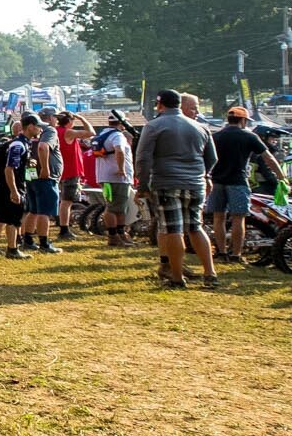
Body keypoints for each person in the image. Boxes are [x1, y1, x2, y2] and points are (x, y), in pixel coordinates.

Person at [138, 89, 218, 287]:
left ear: (160, 105)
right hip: (195, 183)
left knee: (172, 229)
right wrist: (204, 175)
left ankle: (176, 277)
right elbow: (212, 158)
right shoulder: (200, 127)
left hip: (166, 182)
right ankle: (210, 273)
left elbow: (143, 158)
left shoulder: (154, 126)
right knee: (196, 227)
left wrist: (142, 183)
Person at [206, 106, 285, 261]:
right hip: (238, 181)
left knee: (218, 217)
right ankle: (236, 254)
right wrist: (281, 176)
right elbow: (268, 158)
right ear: (242, 120)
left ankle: (221, 253)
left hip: (217, 181)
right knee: (238, 218)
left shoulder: (216, 136)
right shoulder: (249, 136)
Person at [0, 122, 31, 259]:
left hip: (4, 184)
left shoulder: (8, 144)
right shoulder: (18, 145)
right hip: (13, 184)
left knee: (4, 215)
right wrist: (14, 191)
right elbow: (9, 169)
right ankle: (12, 249)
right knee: (13, 218)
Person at [93, 112, 136, 246]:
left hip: (104, 176)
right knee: (115, 208)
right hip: (117, 178)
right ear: (121, 123)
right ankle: (116, 235)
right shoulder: (117, 136)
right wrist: (121, 169)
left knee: (113, 206)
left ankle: (118, 234)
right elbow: (119, 150)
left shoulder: (102, 134)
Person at [20, 116, 61, 252]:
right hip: (45, 177)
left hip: (31, 174)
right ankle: (44, 243)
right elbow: (43, 147)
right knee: (45, 211)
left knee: (33, 210)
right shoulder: (49, 131)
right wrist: (45, 168)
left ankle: (28, 240)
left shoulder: (26, 135)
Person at [53, 113, 85, 241]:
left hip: (60, 169)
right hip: (71, 170)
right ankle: (64, 229)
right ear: (69, 121)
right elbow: (91, 132)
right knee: (67, 202)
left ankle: (62, 225)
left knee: (62, 201)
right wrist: (82, 119)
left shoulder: (55, 131)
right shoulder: (69, 132)